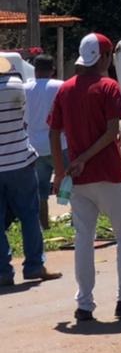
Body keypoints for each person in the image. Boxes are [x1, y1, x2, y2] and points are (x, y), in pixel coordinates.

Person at [50, 33, 121, 322]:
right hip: (109, 174)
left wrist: (62, 170)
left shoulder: (66, 89)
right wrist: (86, 157)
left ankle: (84, 304)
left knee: (84, 239)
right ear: (105, 57)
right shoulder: (109, 87)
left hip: (78, 179)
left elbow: (53, 131)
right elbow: (112, 132)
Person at [0, 55, 60, 287]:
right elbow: (22, 117)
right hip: (20, 161)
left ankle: (3, 271)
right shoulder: (16, 86)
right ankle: (34, 266)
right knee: (29, 215)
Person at [24, 53, 62, 229]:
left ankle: (44, 225)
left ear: (35, 70)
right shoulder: (60, 86)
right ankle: (79, 222)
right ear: (52, 70)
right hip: (60, 144)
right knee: (73, 185)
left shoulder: (25, 89)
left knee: (41, 192)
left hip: (34, 146)